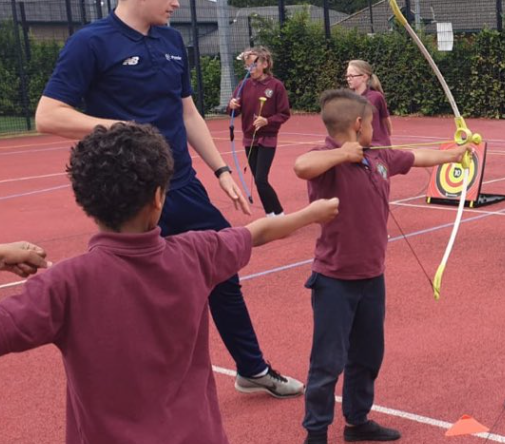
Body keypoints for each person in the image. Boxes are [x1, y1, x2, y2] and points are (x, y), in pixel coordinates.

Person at [34, 0, 303, 397]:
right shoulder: (92, 42)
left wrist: (219, 169)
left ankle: (249, 369)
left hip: (181, 183)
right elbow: (48, 115)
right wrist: (121, 129)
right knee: (138, 285)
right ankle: (129, 384)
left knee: (218, 266)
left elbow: (188, 111)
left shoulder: (172, 42)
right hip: (131, 191)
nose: (177, 2)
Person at [0, 123, 338, 443]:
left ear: (83, 198)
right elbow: (258, 232)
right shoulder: (197, 252)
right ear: (159, 197)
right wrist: (313, 213)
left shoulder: (64, 285)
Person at [293, 89, 470, 444]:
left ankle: (357, 422)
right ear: (358, 125)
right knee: (327, 363)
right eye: (372, 123)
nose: (376, 128)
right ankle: (315, 434)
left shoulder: (379, 156)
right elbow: (302, 166)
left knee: (368, 354)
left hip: (372, 278)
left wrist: (456, 154)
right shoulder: (327, 159)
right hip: (334, 281)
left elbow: (417, 156)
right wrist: (342, 154)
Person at [228, 46, 291, 217]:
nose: (250, 69)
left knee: (261, 179)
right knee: (258, 180)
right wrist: (232, 105)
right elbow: (233, 111)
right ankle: (271, 215)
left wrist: (267, 121)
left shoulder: (276, 86)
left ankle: (279, 214)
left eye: (254, 65)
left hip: (267, 138)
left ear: (265, 64)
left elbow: (284, 114)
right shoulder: (243, 85)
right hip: (249, 139)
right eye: (247, 66)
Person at [345, 60, 393, 147]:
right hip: (360, 146)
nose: (348, 79)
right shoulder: (348, 98)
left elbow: (386, 119)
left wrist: (386, 138)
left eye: (352, 76)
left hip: (378, 146)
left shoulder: (376, 97)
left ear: (364, 77)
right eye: (347, 76)